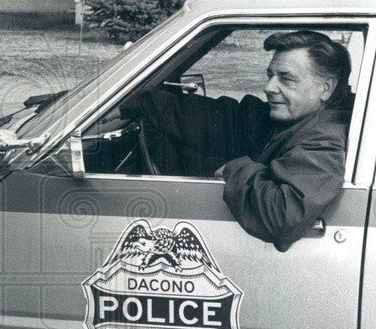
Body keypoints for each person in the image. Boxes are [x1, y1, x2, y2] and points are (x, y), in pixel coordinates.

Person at [124, 30, 354, 251]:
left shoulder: (324, 139)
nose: (269, 87)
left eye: (286, 79)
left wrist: (234, 170)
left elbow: (283, 217)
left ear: (326, 88)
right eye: (270, 76)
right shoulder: (299, 121)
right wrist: (138, 104)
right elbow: (227, 119)